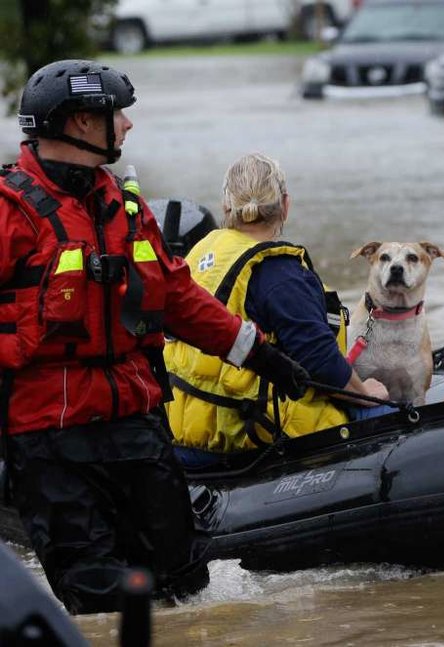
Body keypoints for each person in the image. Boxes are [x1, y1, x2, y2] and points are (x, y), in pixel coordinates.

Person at [0, 60, 310, 614]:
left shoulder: (124, 207)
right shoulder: (9, 212)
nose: (126, 125)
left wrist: (261, 355)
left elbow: (178, 299)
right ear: (79, 123)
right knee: (101, 600)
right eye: (115, 114)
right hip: (49, 438)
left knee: (188, 587)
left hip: (137, 427)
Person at [164, 153, 392, 468]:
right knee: (390, 417)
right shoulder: (279, 273)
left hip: (185, 435)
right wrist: (365, 392)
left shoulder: (200, 252)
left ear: (226, 209)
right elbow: (320, 361)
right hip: (251, 436)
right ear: (285, 205)